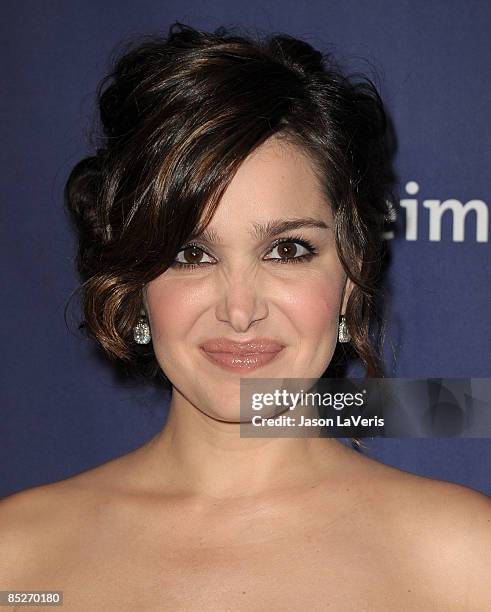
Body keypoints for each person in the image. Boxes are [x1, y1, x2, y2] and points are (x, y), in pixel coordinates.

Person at [1, 22, 490, 611]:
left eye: (286, 250)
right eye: (191, 254)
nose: (239, 310)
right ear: (135, 282)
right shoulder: (19, 560)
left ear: (350, 268)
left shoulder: (465, 559)